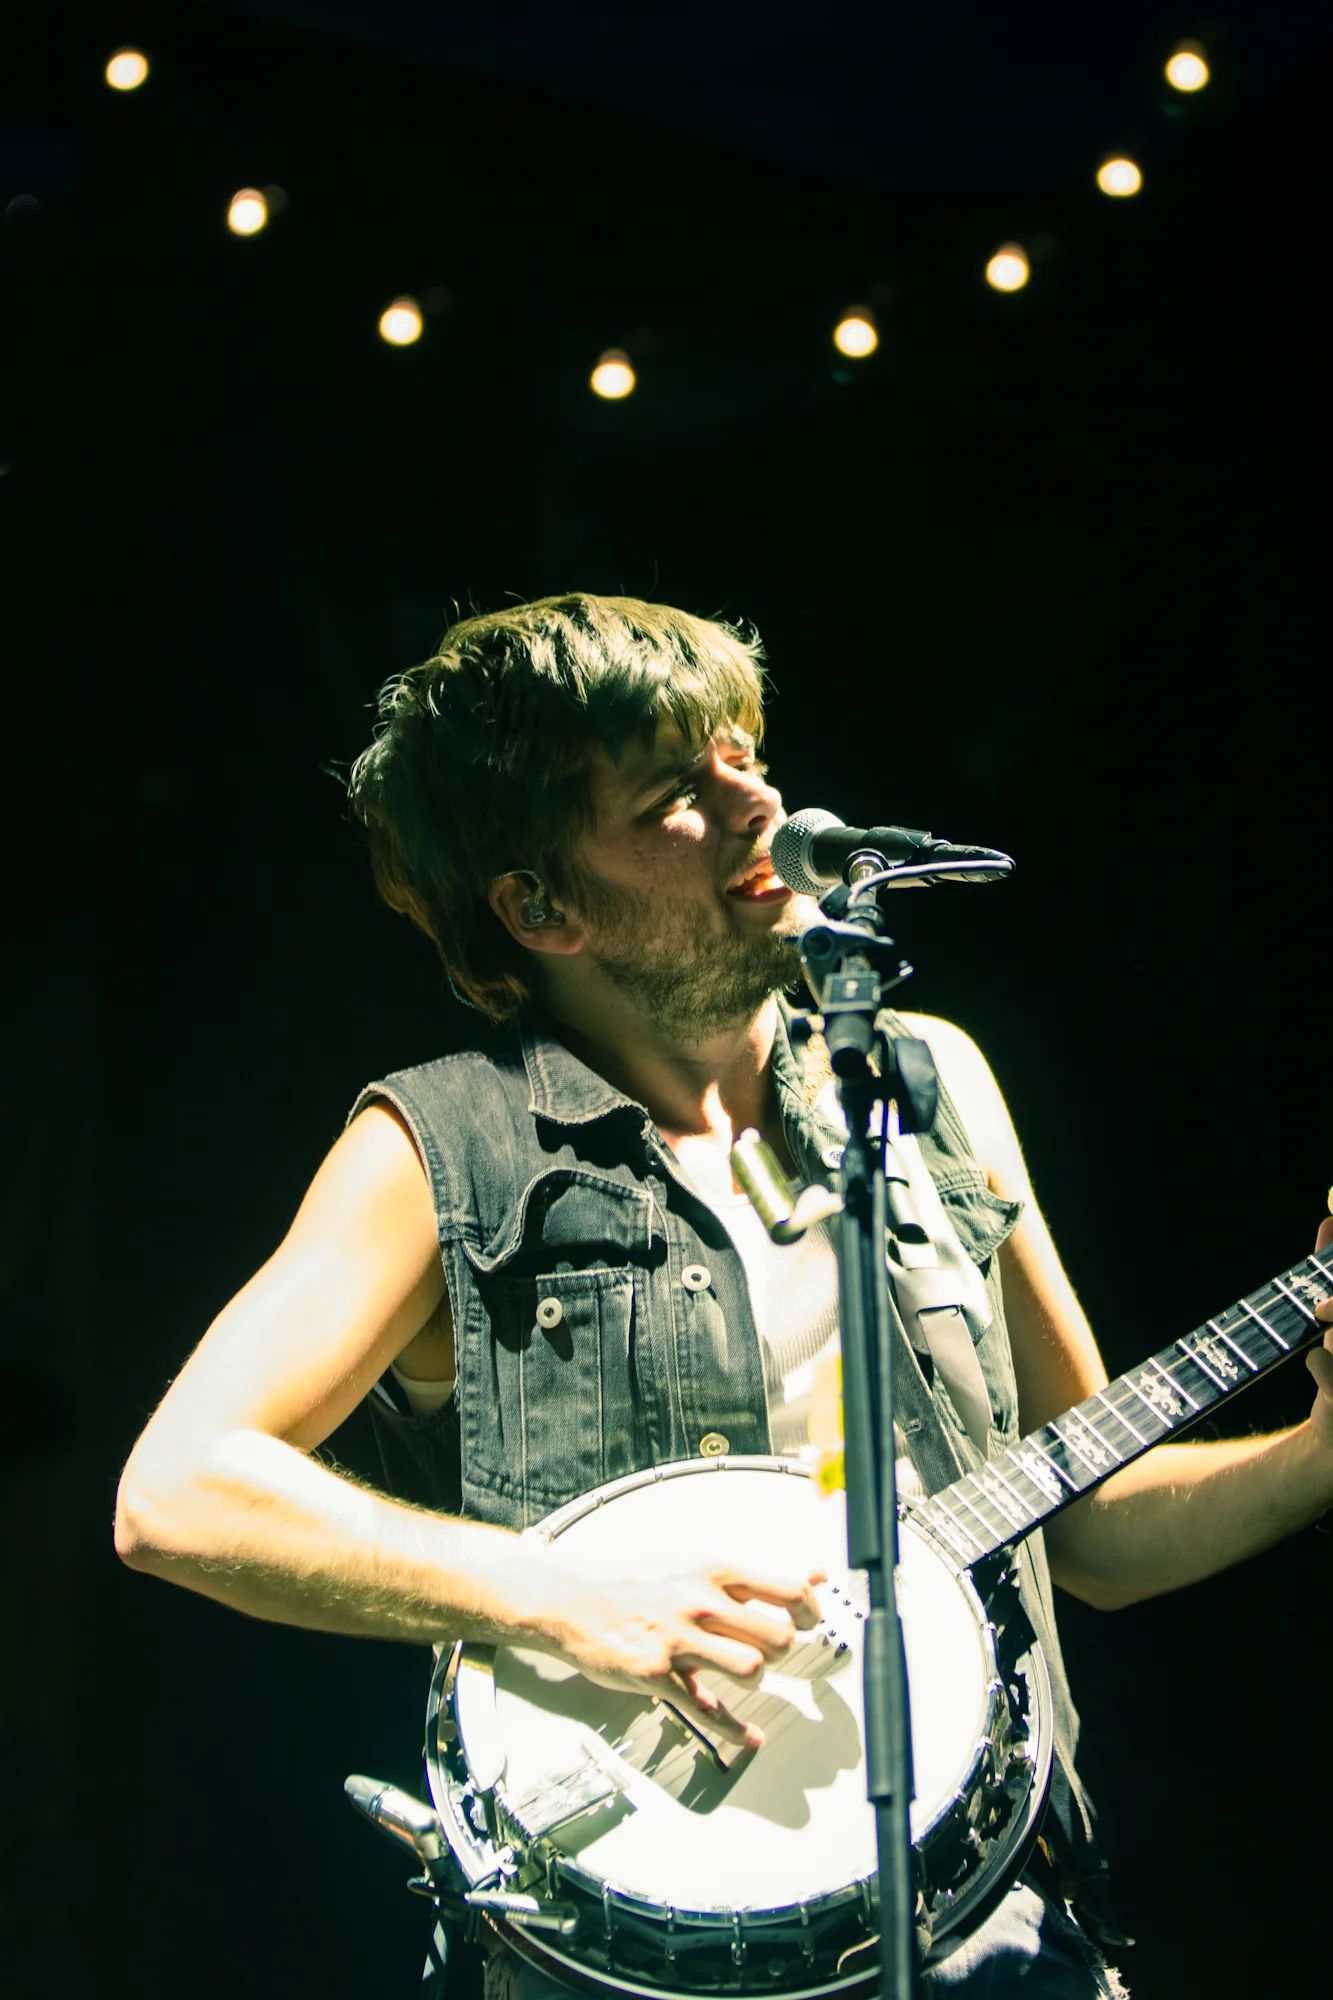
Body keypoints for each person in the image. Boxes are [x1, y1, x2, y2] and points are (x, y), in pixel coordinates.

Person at [115, 594, 1333, 1998]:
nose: (761, 805)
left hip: (997, 1928)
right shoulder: (441, 1150)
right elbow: (181, 1493)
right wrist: (566, 1600)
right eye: (672, 796)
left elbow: (1089, 1530)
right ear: (541, 907)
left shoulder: (926, 1085)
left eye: (746, 755)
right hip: (622, 1958)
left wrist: (1318, 1453)